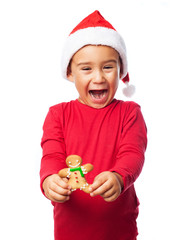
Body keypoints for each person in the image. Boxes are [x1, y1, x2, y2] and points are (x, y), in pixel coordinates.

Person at [40, 10, 147, 240]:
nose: (98, 78)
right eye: (86, 68)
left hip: (119, 229)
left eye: (108, 67)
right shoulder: (58, 114)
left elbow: (133, 153)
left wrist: (119, 176)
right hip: (70, 229)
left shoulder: (130, 113)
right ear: (70, 72)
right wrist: (49, 180)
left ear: (121, 70)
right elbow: (51, 155)